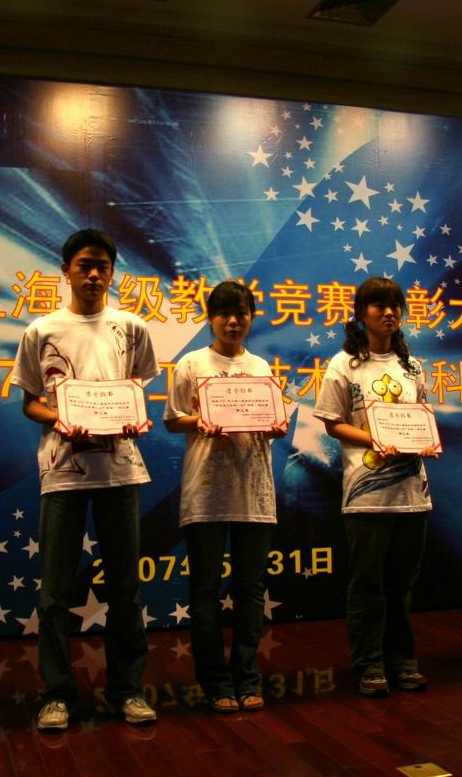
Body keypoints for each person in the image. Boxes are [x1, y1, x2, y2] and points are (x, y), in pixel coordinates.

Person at [12, 228, 160, 731]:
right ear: (66, 270)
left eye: (102, 266)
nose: (94, 274)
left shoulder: (131, 327)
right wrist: (58, 419)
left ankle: (126, 689)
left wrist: (131, 417)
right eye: (84, 265)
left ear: (112, 272)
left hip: (120, 469)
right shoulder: (41, 330)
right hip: (63, 472)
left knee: (125, 589)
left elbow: (136, 390)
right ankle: (56, 693)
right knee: (55, 592)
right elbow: (30, 402)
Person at [164, 281, 288, 713]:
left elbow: (273, 421)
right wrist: (199, 421)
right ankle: (215, 680)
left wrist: (276, 426)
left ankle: (247, 676)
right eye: (224, 313)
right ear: (211, 318)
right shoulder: (191, 363)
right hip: (207, 490)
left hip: (253, 490)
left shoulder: (260, 367)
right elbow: (172, 419)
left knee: (251, 590)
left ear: (251, 317)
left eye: (241, 313)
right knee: (205, 590)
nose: (233, 321)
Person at [313, 277, 436, 697]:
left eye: (395, 306)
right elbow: (333, 423)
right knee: (367, 584)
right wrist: (375, 439)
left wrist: (426, 442)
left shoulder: (412, 366)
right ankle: (369, 664)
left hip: (413, 491)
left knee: (401, 585)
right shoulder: (343, 365)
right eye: (378, 305)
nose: (388, 313)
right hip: (366, 494)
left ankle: (402, 660)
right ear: (361, 314)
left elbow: (422, 419)